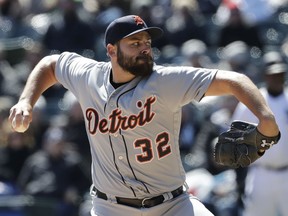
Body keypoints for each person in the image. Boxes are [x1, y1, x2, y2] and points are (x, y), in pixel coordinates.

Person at [9, 15, 280, 216]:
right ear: (111, 50)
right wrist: (26, 100)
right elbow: (51, 64)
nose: (144, 48)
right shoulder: (87, 76)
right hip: (110, 207)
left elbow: (235, 80)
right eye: (135, 42)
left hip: (172, 205)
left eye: (147, 42)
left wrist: (266, 120)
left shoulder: (165, 80)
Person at [232, 57, 288, 216]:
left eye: (280, 74)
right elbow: (235, 139)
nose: (277, 78)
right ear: (265, 76)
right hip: (261, 174)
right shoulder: (252, 102)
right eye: (273, 74)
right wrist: (239, 181)